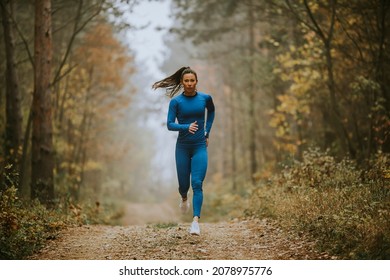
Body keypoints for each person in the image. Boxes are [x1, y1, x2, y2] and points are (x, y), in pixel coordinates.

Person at [152, 66, 215, 235]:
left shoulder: (205, 98)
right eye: (186, 81)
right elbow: (170, 124)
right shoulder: (176, 102)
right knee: (183, 185)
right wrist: (187, 126)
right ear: (182, 82)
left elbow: (212, 111)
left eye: (192, 81)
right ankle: (184, 198)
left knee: (197, 183)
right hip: (182, 147)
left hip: (200, 146)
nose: (189, 84)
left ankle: (195, 222)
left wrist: (207, 131)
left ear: (196, 82)